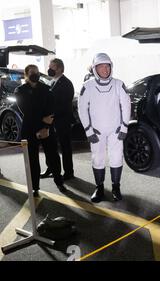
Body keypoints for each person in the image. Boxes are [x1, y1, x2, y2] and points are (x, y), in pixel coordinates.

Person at [78, 53, 131, 203]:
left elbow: (126, 105)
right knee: (98, 158)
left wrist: (124, 127)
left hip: (115, 130)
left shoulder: (118, 84)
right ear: (95, 68)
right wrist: (88, 130)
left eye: (107, 66)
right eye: (101, 66)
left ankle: (116, 187)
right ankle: (99, 188)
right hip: (96, 131)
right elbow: (82, 109)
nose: (105, 69)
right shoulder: (87, 86)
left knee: (116, 157)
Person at [14, 64, 66, 197]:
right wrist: (43, 120)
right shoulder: (20, 91)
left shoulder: (46, 88)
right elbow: (27, 110)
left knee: (53, 156)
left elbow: (51, 108)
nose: (35, 74)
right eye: (32, 72)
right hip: (30, 130)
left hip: (46, 129)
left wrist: (46, 127)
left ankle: (59, 182)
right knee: (32, 160)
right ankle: (35, 187)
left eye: (37, 72)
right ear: (26, 74)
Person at [40, 58, 75, 180]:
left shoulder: (66, 83)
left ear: (60, 68)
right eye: (49, 66)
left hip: (62, 121)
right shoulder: (51, 82)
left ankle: (69, 172)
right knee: (50, 148)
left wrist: (52, 116)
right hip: (51, 121)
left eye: (52, 66)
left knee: (65, 147)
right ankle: (52, 168)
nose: (49, 69)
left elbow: (64, 104)